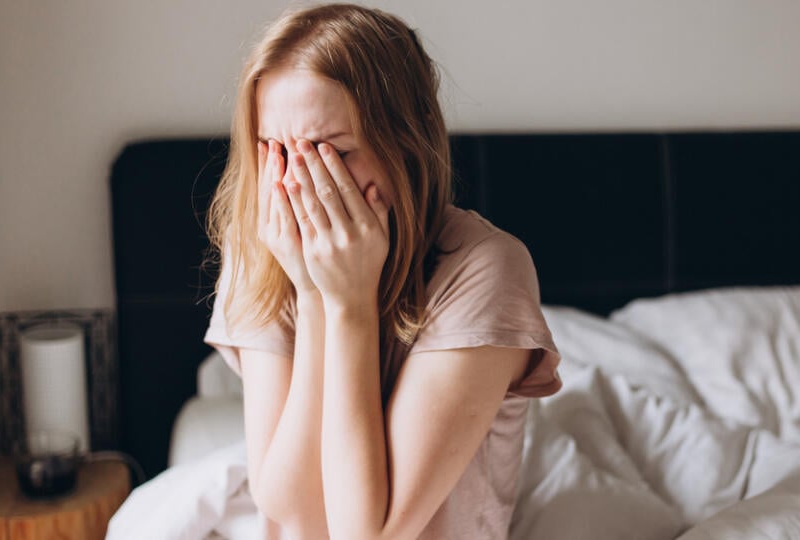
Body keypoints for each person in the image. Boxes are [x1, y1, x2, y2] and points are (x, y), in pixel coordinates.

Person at [203, 3, 562, 538]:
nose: (299, 184)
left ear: (405, 148)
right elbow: (289, 507)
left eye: (330, 153)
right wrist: (311, 293)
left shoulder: (486, 269)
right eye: (277, 150)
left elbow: (364, 533)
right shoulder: (259, 247)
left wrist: (349, 304)